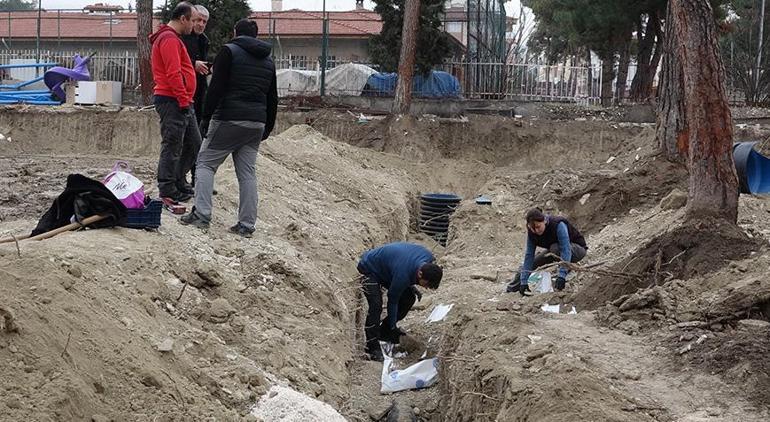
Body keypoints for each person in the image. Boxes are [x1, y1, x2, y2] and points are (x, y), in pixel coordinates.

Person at [180, 19, 278, 238]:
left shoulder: (229, 51)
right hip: (256, 123)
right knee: (247, 173)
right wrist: (267, 127)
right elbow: (273, 96)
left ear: (235, 32)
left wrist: (205, 117)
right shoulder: (268, 60)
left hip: (228, 118)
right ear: (256, 35)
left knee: (205, 163)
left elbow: (216, 87)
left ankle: (201, 215)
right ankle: (246, 225)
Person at [150, 1, 201, 202]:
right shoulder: (169, 39)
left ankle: (178, 180)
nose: (194, 25)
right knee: (172, 144)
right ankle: (167, 188)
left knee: (193, 143)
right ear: (183, 19)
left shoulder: (173, 38)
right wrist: (182, 100)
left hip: (181, 100)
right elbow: (173, 73)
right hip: (173, 100)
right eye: (193, 20)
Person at [357, 242, 443, 361]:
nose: (427, 287)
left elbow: (407, 268)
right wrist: (393, 326)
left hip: (389, 269)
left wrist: (410, 285)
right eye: (427, 284)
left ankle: (384, 332)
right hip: (369, 269)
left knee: (409, 298)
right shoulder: (402, 276)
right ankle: (372, 346)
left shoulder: (428, 258)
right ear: (420, 273)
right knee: (376, 305)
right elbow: (392, 301)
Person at [506, 208, 587, 295]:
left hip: (577, 249)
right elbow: (529, 256)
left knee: (555, 248)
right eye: (533, 228)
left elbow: (565, 249)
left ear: (544, 221)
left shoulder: (558, 224)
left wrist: (562, 275)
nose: (536, 231)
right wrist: (524, 281)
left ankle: (568, 269)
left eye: (538, 227)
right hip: (554, 251)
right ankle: (512, 288)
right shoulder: (532, 232)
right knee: (533, 262)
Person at [181, 4, 211, 188]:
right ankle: (180, 177)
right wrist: (193, 64)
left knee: (198, 138)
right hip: (184, 95)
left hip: (200, 94)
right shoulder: (182, 38)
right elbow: (178, 63)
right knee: (186, 140)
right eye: (198, 20)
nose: (200, 24)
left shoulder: (204, 40)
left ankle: (196, 178)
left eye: (204, 22)